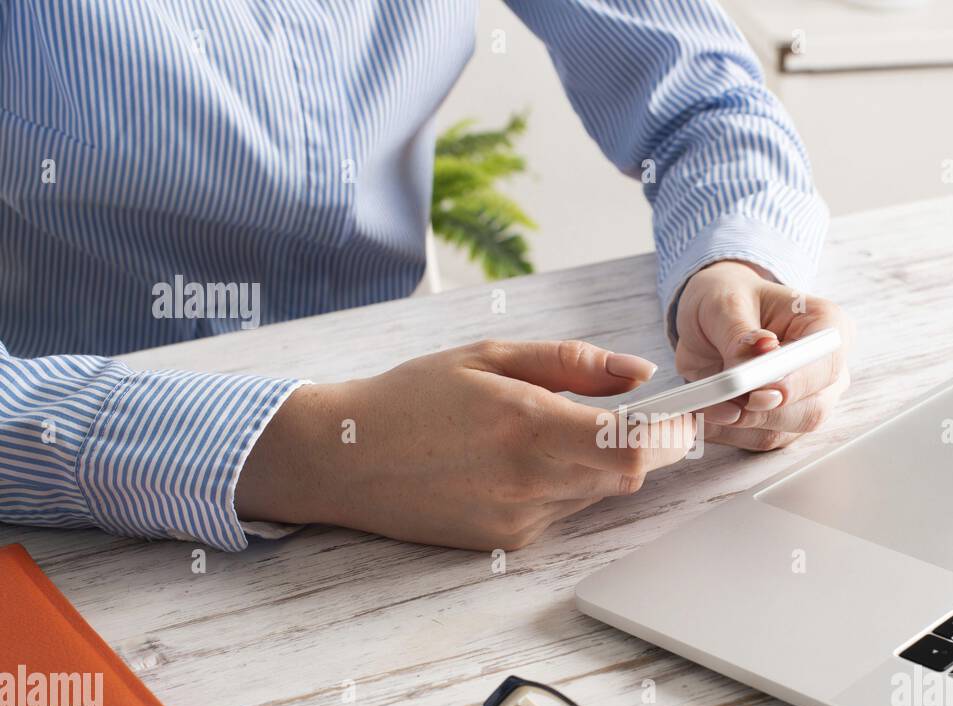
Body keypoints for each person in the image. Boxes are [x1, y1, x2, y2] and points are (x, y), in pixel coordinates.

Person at [0, 0, 851, 552]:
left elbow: (701, 97)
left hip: (436, 443)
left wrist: (733, 262)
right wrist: (307, 452)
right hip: (72, 524)